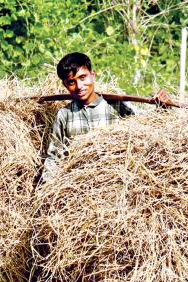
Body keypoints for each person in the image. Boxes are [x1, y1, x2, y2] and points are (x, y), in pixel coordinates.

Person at [40, 52, 171, 183]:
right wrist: (47, 187)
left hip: (115, 182)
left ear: (92, 75)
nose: (79, 86)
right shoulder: (65, 114)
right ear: (65, 85)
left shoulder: (117, 106)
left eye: (83, 78)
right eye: (71, 82)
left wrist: (163, 106)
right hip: (78, 185)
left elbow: (151, 126)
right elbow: (54, 157)